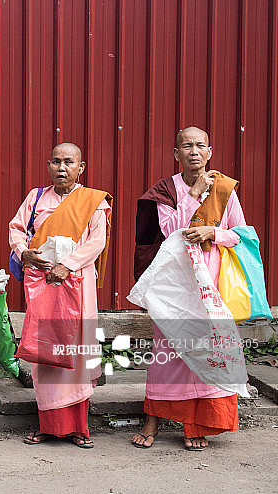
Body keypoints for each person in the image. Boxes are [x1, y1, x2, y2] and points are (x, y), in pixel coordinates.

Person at [132, 126, 244, 451]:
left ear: (209, 152)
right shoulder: (166, 191)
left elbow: (241, 235)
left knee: (207, 351)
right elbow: (170, 234)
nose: (193, 151)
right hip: (174, 287)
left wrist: (215, 233)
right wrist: (194, 193)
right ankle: (152, 418)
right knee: (168, 354)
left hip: (211, 285)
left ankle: (195, 424)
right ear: (176, 154)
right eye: (186, 146)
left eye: (200, 145)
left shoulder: (224, 190)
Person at [9, 143, 112, 449]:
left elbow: (97, 241)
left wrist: (67, 265)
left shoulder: (93, 201)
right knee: (47, 349)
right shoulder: (35, 197)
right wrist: (25, 252)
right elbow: (16, 229)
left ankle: (79, 427)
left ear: (81, 168)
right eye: (56, 161)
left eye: (69, 162)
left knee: (76, 349)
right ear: (49, 165)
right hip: (43, 282)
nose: (62, 167)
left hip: (77, 282)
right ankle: (48, 425)